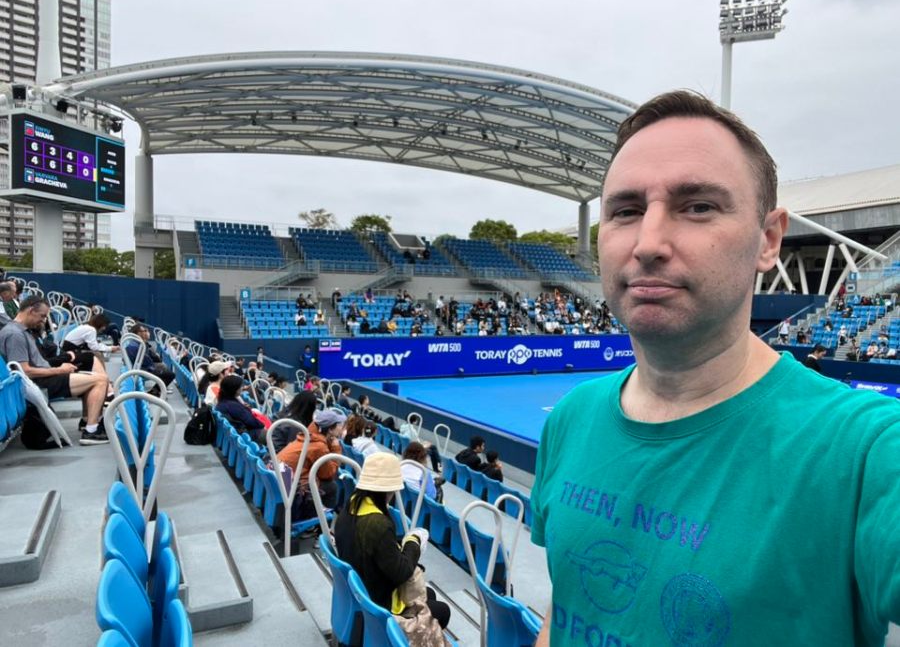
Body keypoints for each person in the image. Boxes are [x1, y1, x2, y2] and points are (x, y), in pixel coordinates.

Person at [531, 90, 900, 646]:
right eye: (626, 211)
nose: (649, 243)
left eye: (698, 206)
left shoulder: (866, 451)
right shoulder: (570, 419)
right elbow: (565, 612)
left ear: (768, 240)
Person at [334, 452, 450, 633]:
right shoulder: (378, 524)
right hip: (379, 605)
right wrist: (414, 542)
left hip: (361, 590)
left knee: (431, 595)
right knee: (443, 611)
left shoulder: (351, 505)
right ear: (387, 490)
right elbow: (401, 572)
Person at [0, 295, 110, 445]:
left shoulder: (21, 331)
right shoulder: (15, 334)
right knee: (100, 380)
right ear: (31, 311)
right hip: (37, 383)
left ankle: (87, 422)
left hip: (43, 378)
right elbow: (24, 372)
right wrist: (60, 370)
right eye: (42, 316)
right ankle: (91, 431)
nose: (44, 320)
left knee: (92, 374)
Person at [276, 408, 345, 517]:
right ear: (330, 429)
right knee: (332, 486)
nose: (342, 428)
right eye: (339, 425)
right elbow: (328, 474)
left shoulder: (308, 436)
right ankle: (323, 521)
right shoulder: (319, 446)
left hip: (282, 478)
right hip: (293, 489)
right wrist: (336, 447)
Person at [124, 324, 175, 392]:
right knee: (170, 374)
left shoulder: (137, 343)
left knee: (164, 369)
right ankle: (154, 392)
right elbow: (147, 361)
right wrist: (154, 368)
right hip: (143, 370)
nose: (146, 332)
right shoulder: (136, 345)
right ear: (138, 333)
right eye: (144, 331)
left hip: (143, 368)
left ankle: (157, 391)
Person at [215, 374, 265, 442]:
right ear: (235, 389)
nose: (242, 388)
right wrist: (263, 425)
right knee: (272, 434)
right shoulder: (233, 406)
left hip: (240, 433)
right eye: (240, 386)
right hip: (247, 435)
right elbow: (252, 422)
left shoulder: (223, 401)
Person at [270, 389, 317, 454]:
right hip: (279, 456)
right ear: (311, 409)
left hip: (272, 452)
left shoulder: (283, 414)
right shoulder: (296, 426)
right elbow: (292, 450)